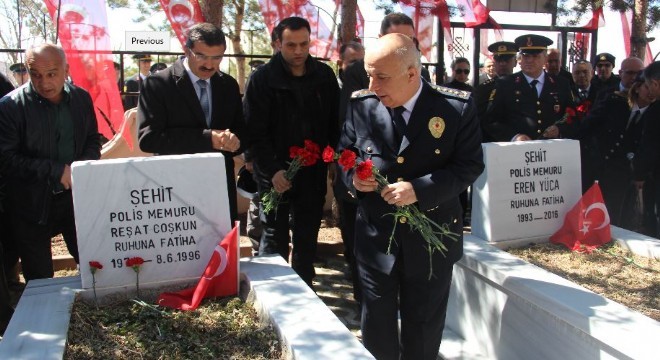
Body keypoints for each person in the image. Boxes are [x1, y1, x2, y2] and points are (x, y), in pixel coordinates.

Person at [339, 33, 484, 360]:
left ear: (411, 73)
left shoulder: (455, 107)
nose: (373, 85)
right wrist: (353, 179)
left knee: (422, 332)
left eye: (381, 76)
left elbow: (469, 165)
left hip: (431, 240)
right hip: (378, 238)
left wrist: (420, 189)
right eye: (369, 74)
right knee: (376, 329)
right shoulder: (361, 104)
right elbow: (344, 152)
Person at [243, 17, 339, 286]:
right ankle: (275, 292)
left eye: (304, 44)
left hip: (313, 171)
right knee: (274, 235)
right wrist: (272, 170)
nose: (298, 51)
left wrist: (331, 159)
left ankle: (306, 289)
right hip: (274, 173)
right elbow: (254, 131)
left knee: (307, 235)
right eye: (291, 45)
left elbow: (334, 121)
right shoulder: (262, 79)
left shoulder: (324, 75)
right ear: (277, 44)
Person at [0, 43, 101, 281]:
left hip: (75, 199)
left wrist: (79, 170)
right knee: (39, 278)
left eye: (52, 74)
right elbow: (6, 159)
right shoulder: (10, 107)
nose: (44, 83)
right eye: (36, 75)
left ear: (66, 70)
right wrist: (56, 171)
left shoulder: (80, 99)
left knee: (94, 266)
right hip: (31, 204)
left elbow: (92, 140)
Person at [138, 23, 244, 223]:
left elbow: (242, 132)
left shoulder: (228, 85)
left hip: (219, 186)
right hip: (175, 186)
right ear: (186, 50)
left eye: (217, 58)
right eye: (202, 56)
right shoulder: (158, 84)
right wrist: (208, 139)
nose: (210, 65)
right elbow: (148, 139)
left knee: (221, 249)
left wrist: (235, 142)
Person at [576, 75, 652, 226]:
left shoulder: (654, 113)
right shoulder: (616, 102)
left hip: (621, 169)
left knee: (613, 211)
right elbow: (589, 125)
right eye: (646, 87)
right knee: (585, 206)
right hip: (597, 160)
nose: (650, 92)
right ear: (637, 88)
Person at [484, 34, 575, 142]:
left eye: (535, 56)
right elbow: (491, 121)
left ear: (545, 58)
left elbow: (572, 116)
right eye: (526, 56)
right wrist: (514, 137)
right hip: (516, 152)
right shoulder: (505, 84)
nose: (529, 60)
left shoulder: (561, 84)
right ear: (520, 59)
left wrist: (559, 129)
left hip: (552, 151)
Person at [633, 61, 660, 236]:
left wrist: (639, 174)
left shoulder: (655, 110)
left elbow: (650, 146)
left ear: (656, 84)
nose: (649, 91)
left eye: (649, 86)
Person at [474, 41, 518, 142]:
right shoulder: (484, 88)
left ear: (515, 62)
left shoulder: (523, 85)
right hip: (493, 144)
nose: (502, 64)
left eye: (506, 60)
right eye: (499, 60)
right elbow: (481, 120)